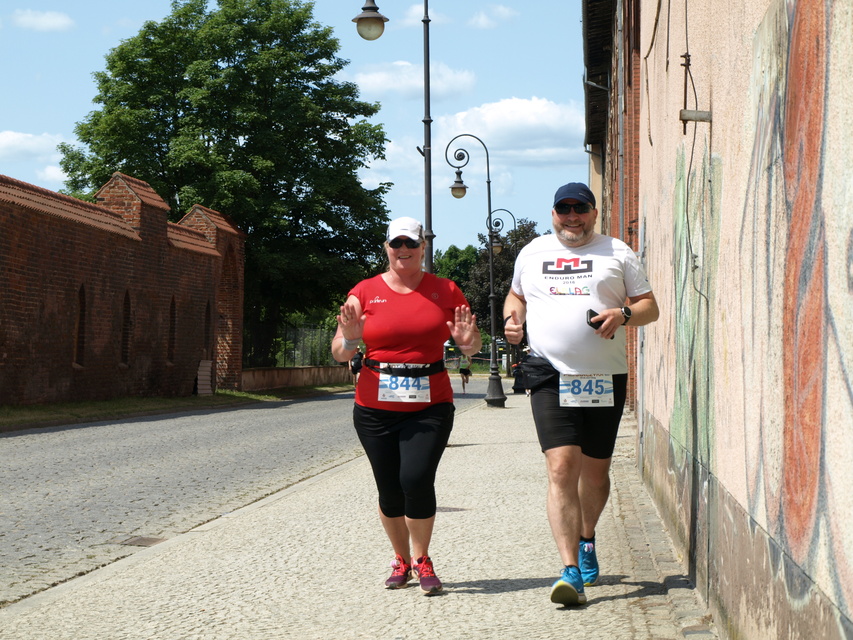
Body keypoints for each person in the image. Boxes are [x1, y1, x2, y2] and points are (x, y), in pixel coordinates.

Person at [503, 182, 659, 606]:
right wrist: (512, 322)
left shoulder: (617, 252)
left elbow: (650, 306)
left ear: (594, 212)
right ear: (552, 212)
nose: (571, 216)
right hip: (548, 372)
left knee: (594, 473)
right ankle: (570, 569)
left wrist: (623, 313)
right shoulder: (532, 253)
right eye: (563, 209)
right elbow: (515, 297)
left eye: (580, 208)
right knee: (561, 466)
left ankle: (587, 537)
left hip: (603, 376)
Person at [332, 216, 482, 595]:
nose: (403, 250)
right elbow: (338, 351)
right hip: (374, 406)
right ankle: (400, 558)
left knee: (415, 479)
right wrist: (350, 340)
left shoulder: (445, 289)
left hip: (429, 404)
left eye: (410, 244)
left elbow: (472, 343)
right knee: (389, 488)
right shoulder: (364, 292)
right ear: (386, 247)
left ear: (422, 248)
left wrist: (467, 342)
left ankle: (422, 557)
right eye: (396, 244)